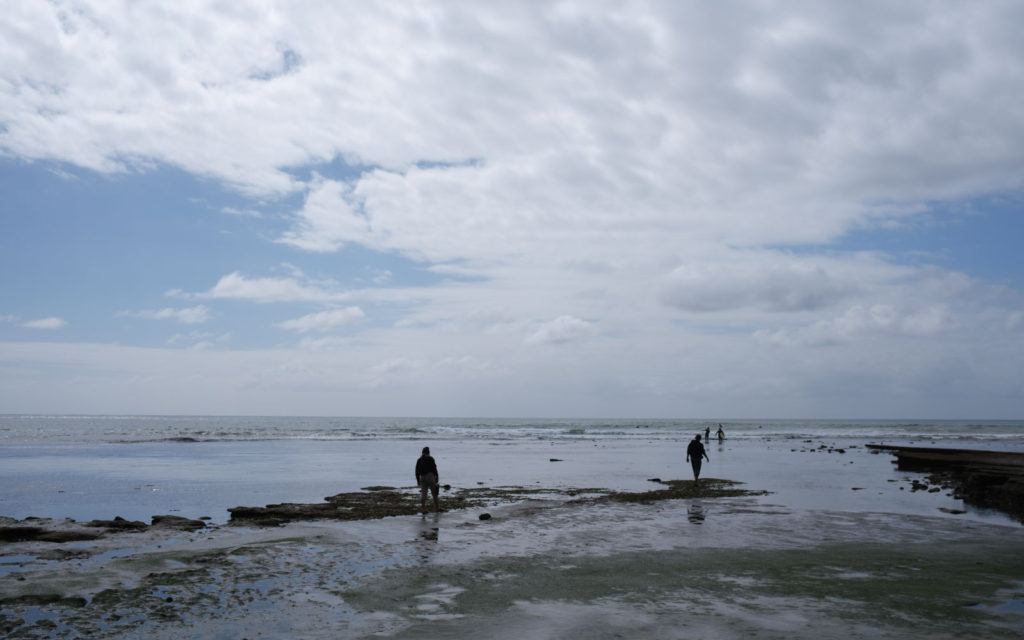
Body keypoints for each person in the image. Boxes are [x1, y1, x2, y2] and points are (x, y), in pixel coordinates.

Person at [415, 446, 440, 513]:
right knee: (434, 493)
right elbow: (434, 468)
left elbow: (417, 471)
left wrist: (418, 480)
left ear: (422, 452)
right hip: (430, 476)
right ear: (428, 452)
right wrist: (437, 477)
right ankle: (437, 508)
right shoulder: (430, 458)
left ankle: (424, 509)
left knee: (424, 494)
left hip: (422, 477)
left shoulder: (419, 460)